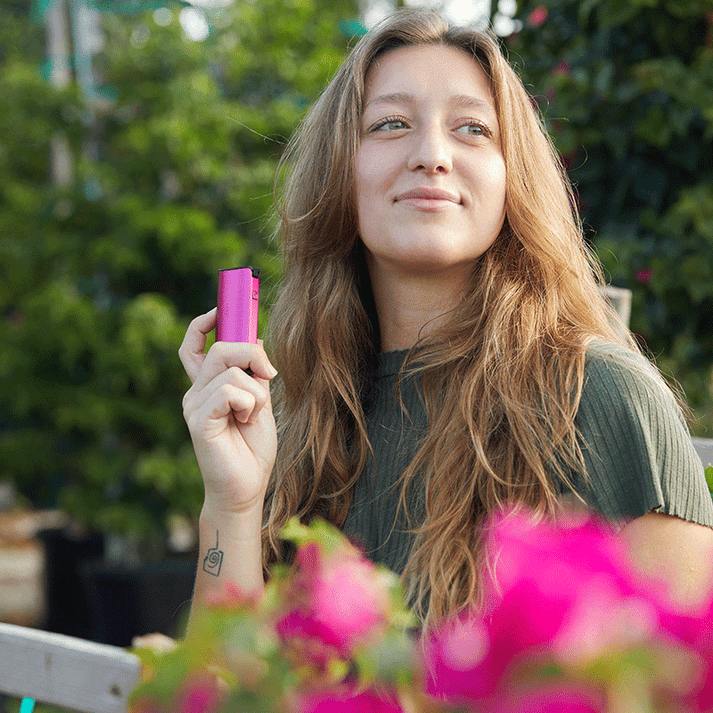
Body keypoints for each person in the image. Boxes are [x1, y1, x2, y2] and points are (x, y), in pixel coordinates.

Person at [178, 9, 713, 628]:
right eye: (391, 123)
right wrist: (232, 505)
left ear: (513, 178)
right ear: (338, 171)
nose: (432, 155)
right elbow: (223, 677)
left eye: (472, 129)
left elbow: (685, 668)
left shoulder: (602, 398)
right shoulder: (293, 423)